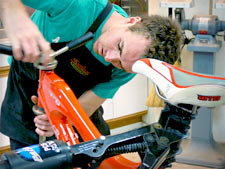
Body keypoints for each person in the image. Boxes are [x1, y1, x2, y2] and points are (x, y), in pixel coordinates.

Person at [0, 0, 182, 150]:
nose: (109, 57)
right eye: (119, 45)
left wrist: (59, 122)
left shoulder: (130, 67)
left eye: (120, 63)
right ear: (132, 21)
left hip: (75, 105)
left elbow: (85, 107)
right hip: (26, 92)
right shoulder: (76, 5)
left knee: (96, 151)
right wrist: (16, 19)